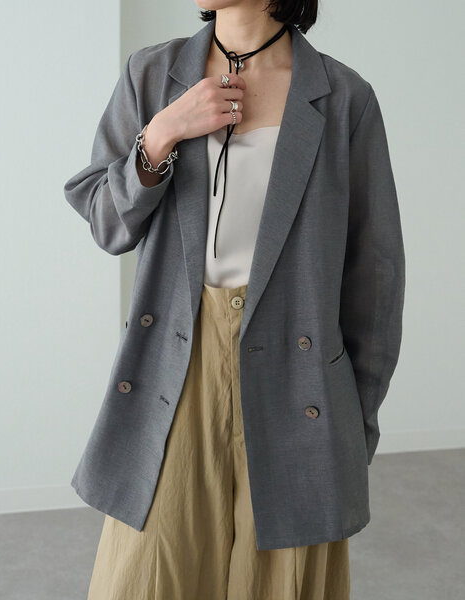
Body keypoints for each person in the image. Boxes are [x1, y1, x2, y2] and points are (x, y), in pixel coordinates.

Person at [63, 1, 406, 598]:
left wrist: (356, 424)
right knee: (145, 575)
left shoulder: (345, 98)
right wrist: (160, 135)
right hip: (177, 362)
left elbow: (375, 275)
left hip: (300, 378)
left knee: (279, 581)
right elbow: (106, 223)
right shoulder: (152, 75)